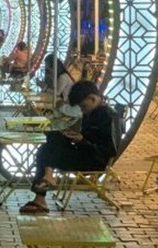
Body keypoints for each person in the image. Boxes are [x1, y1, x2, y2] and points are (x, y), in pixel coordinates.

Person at [19, 80, 119, 214]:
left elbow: (109, 151)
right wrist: (73, 136)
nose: (82, 110)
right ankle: (47, 179)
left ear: (93, 98)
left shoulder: (110, 117)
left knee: (45, 151)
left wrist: (82, 140)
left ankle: (43, 190)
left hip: (93, 161)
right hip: (82, 153)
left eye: (83, 106)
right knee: (53, 137)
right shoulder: (92, 112)